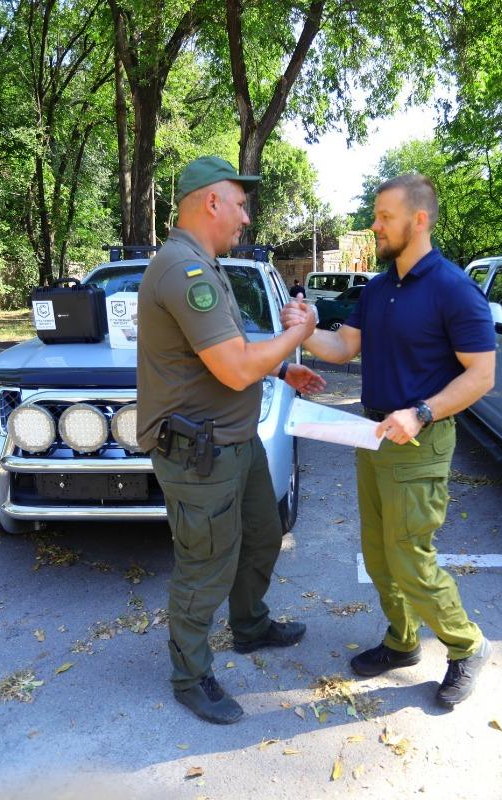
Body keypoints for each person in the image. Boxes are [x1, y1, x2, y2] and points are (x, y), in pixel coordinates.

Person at [281, 173, 496, 709]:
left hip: (418, 440)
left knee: (409, 557)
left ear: (418, 220)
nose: (374, 226)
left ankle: (466, 645)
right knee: (379, 556)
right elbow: (343, 347)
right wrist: (306, 329)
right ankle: (402, 642)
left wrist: (422, 413)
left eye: (383, 216)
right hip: (372, 434)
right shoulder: (378, 288)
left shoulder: (453, 288)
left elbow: (481, 376)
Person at [136, 155, 326, 724]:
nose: (246, 218)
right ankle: (190, 675)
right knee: (207, 565)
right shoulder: (182, 270)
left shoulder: (205, 264)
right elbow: (235, 368)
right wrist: (299, 335)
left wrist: (282, 369)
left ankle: (249, 626)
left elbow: (230, 354)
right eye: (240, 204)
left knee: (264, 537)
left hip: (235, 443)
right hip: (201, 455)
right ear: (210, 202)